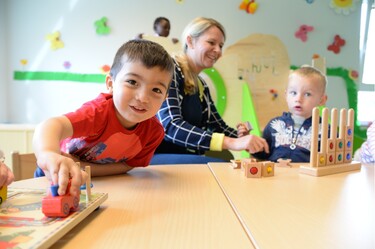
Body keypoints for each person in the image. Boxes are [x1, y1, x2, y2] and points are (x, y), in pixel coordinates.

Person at [33, 39, 174, 196]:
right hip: (56, 174)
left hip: (102, 183)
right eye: (132, 82)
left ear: (165, 98)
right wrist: (48, 154)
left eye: (156, 90)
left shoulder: (153, 133)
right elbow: (50, 125)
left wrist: (82, 167)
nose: (143, 97)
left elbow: (128, 165)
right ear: (111, 84)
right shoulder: (98, 113)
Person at [150, 17, 269, 165]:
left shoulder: (201, 85)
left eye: (221, 45)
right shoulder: (170, 71)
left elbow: (218, 126)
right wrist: (231, 142)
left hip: (182, 156)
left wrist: (241, 138)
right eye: (211, 43)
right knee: (222, 167)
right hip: (156, 155)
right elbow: (171, 127)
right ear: (190, 41)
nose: (218, 50)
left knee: (226, 162)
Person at [252, 66, 328, 162]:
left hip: (308, 176)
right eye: (293, 92)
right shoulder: (274, 124)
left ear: (322, 100)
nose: (298, 99)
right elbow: (263, 154)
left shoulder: (325, 130)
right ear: (286, 95)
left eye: (307, 94)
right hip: (276, 175)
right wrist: (252, 147)